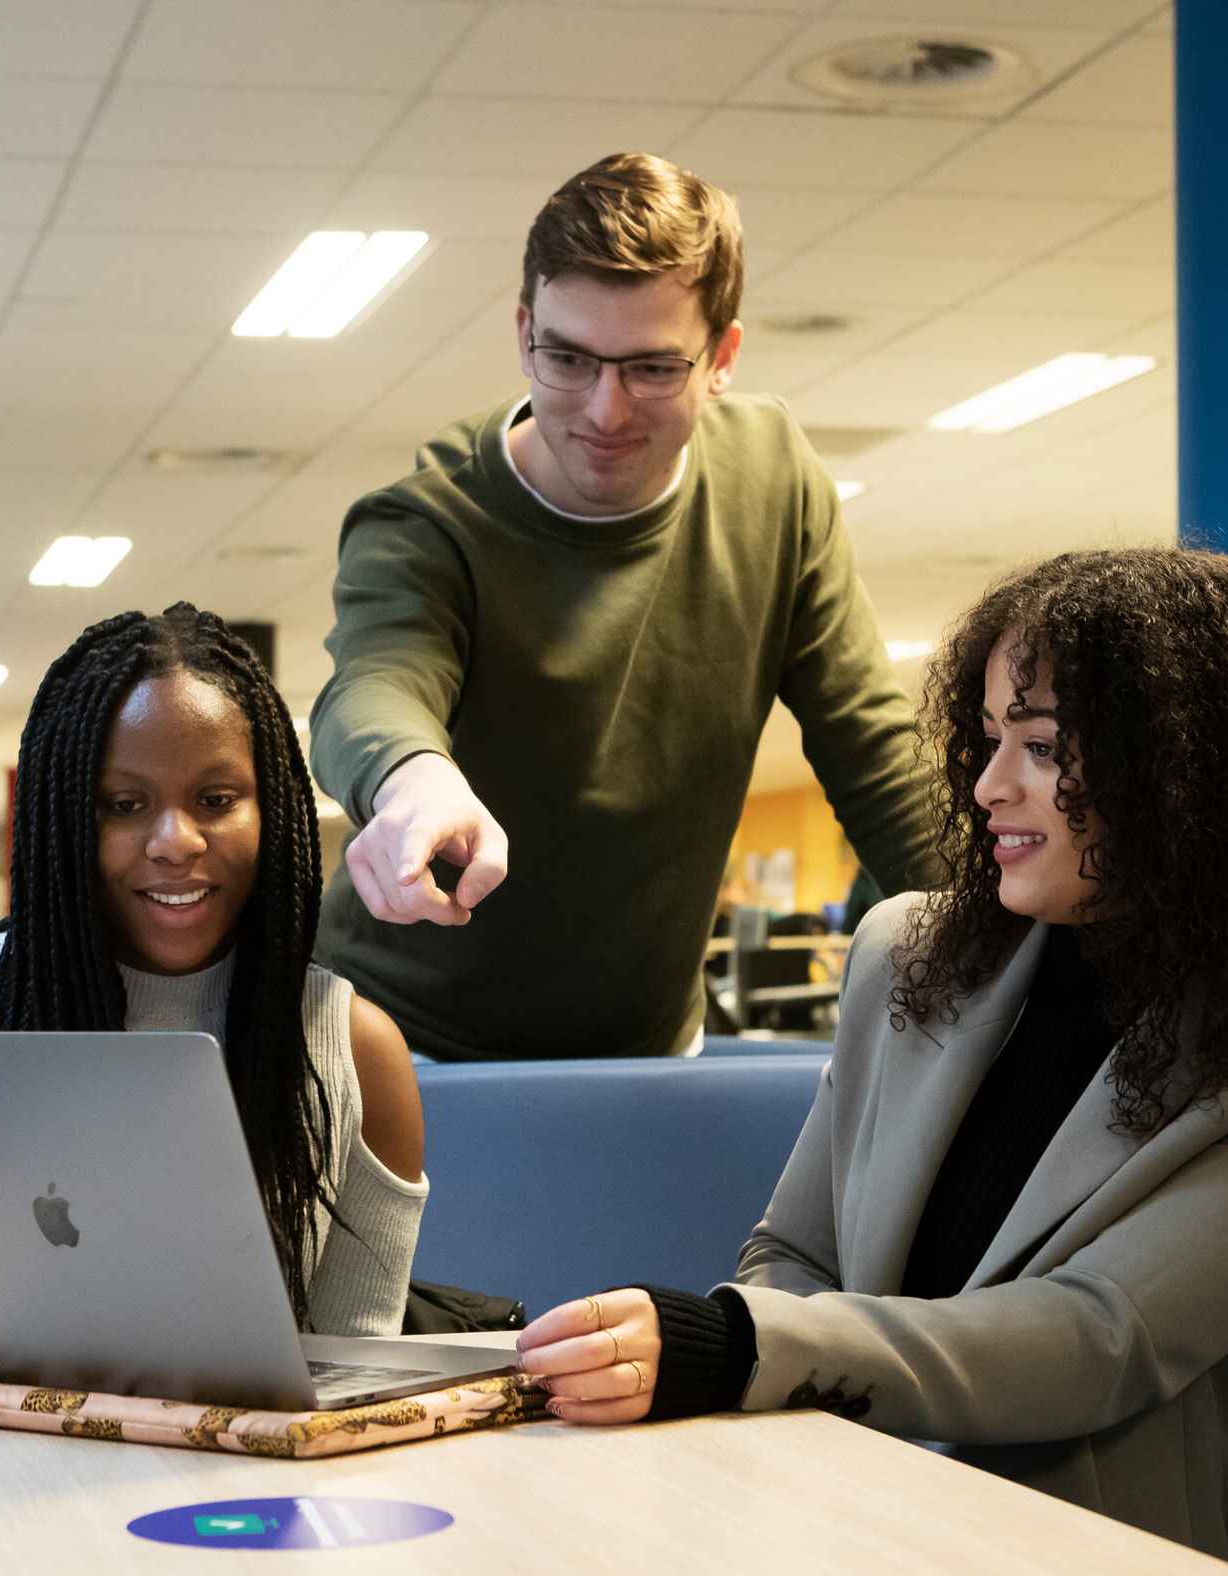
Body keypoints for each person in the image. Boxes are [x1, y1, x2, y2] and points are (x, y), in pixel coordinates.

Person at [516, 546, 1228, 1558]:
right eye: (985, 740)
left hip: (1104, 1571)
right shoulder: (909, 954)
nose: (986, 785)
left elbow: (1096, 1339)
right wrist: (792, 1384)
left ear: (1178, 763)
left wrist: (745, 1348)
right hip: (849, 1522)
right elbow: (795, 1250)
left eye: (1037, 744)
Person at [308, 151, 937, 1061]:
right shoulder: (430, 519)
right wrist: (413, 776)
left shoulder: (773, 479)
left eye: (650, 367)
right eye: (567, 358)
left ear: (721, 355)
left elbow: (875, 752)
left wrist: (1013, 943)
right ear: (524, 333)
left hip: (647, 1045)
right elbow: (374, 686)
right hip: (406, 1044)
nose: (605, 410)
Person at [0, 603, 426, 1337]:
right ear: (69, 818)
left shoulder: (359, 1052)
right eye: (125, 804)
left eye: (216, 799)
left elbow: (354, 1368)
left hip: (245, 1454)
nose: (175, 841)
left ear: (275, 810)